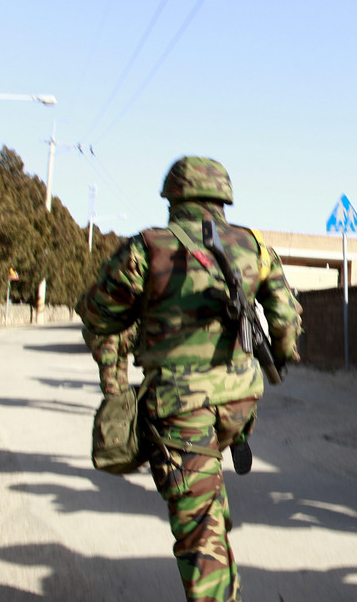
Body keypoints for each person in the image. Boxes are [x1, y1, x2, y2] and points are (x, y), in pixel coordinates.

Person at [77, 156, 303, 602]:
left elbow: (97, 313)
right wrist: (280, 354)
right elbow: (285, 319)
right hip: (239, 404)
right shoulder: (257, 246)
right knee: (207, 507)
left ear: (173, 196)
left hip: (181, 409)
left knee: (198, 533)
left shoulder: (148, 246)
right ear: (224, 196)